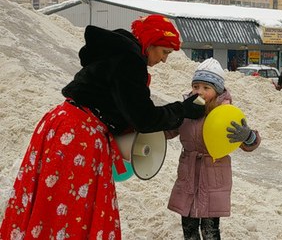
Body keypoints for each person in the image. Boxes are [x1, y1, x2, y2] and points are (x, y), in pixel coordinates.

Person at [0, 14, 206, 239]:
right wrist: (182, 110)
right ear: (150, 43)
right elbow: (143, 117)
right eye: (164, 52)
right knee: (71, 205)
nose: (165, 60)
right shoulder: (130, 60)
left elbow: (123, 107)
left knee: (51, 200)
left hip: (61, 125)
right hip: (78, 137)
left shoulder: (116, 53)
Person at [165, 58, 261, 240]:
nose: (199, 92)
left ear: (217, 91)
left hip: (214, 178)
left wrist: (248, 136)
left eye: (205, 88)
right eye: (196, 86)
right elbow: (169, 130)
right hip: (188, 175)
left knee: (210, 230)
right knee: (189, 228)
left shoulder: (226, 113)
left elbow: (250, 144)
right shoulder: (186, 110)